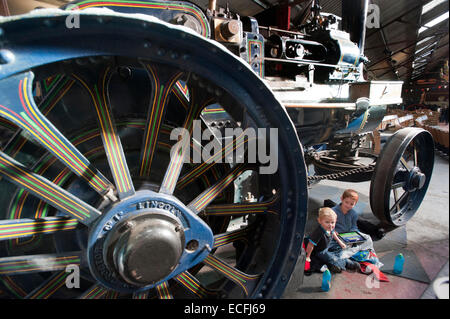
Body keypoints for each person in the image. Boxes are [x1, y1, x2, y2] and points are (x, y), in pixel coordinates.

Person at [305, 207, 347, 273]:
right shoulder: (319, 232)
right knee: (332, 258)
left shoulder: (329, 228)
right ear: (319, 221)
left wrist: (340, 242)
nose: (330, 225)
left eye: (333, 222)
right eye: (327, 222)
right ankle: (338, 264)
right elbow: (311, 244)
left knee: (339, 248)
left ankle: (340, 261)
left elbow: (333, 233)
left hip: (327, 246)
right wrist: (308, 256)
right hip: (320, 251)